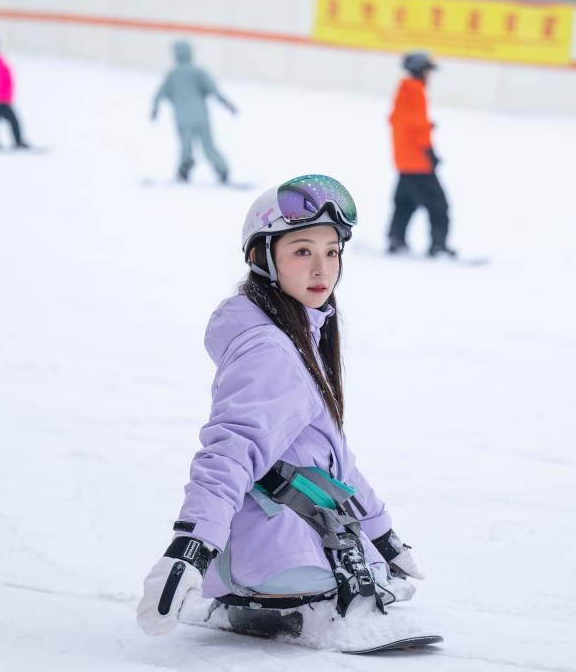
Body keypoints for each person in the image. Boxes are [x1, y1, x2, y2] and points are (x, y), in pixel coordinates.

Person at [137, 174, 424, 638]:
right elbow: (231, 448)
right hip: (278, 555)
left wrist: (383, 535)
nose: (322, 270)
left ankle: (280, 596)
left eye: (332, 252)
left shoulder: (298, 335)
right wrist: (191, 548)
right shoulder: (272, 349)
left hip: (286, 537)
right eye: (302, 251)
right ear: (262, 258)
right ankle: (305, 608)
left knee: (382, 572)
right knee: (377, 583)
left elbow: (335, 460)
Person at [387, 51, 455, 257]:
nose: (429, 75)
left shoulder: (403, 91)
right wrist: (429, 152)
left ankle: (396, 239)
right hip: (418, 162)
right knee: (439, 205)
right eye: (427, 70)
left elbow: (400, 123)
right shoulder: (416, 92)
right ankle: (438, 246)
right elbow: (417, 127)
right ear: (420, 70)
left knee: (405, 202)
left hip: (404, 160)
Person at [151, 40, 236, 184]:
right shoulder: (198, 72)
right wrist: (228, 105)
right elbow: (215, 91)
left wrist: (155, 109)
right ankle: (222, 169)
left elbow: (160, 94)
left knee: (186, 148)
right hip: (201, 117)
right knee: (208, 147)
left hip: (183, 119)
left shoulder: (173, 75)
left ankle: (185, 168)